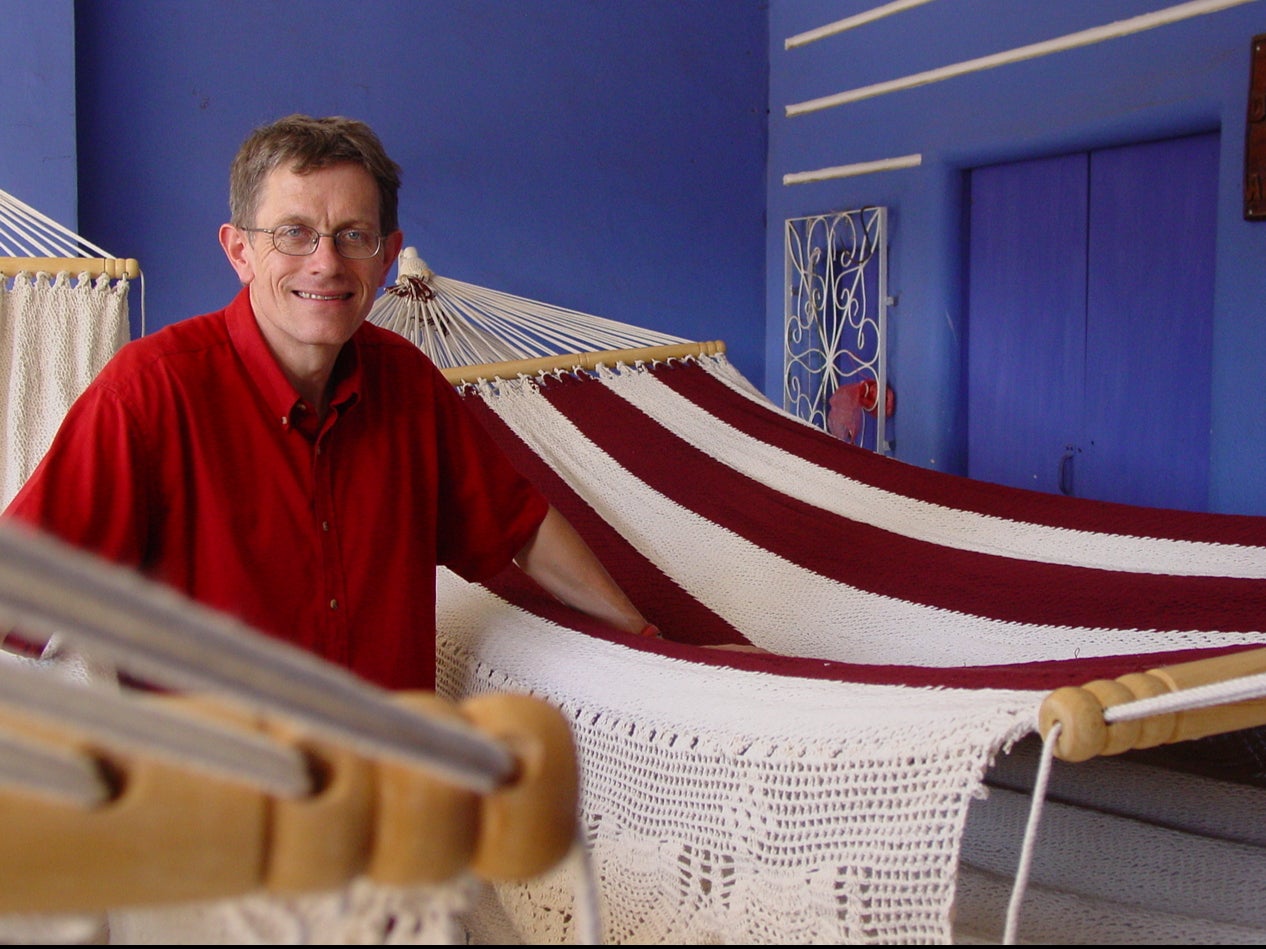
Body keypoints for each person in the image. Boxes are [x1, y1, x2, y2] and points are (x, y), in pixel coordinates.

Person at [2, 113, 657, 690]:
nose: (326, 263)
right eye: (293, 233)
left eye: (353, 235)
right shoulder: (150, 392)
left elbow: (521, 527)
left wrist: (648, 638)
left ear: (388, 257)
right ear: (240, 251)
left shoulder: (409, 385)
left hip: (392, 799)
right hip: (222, 811)